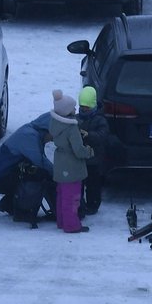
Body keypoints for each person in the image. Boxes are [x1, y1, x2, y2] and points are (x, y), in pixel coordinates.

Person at [0, 113, 54, 219]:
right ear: (47, 129)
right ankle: (21, 209)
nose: (52, 140)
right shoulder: (29, 136)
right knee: (37, 176)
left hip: (0, 175)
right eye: (53, 136)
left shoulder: (32, 132)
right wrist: (58, 174)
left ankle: (8, 204)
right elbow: (40, 162)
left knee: (32, 172)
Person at [50, 89, 94, 234]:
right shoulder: (71, 128)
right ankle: (72, 225)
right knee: (72, 198)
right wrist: (88, 151)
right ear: (67, 111)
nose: (75, 110)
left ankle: (62, 221)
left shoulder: (55, 123)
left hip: (60, 163)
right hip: (72, 166)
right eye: (73, 108)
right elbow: (78, 150)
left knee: (62, 195)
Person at [77, 86, 110, 216]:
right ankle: (79, 203)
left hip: (94, 159)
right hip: (80, 159)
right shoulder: (77, 118)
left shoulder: (100, 120)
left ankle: (93, 204)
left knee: (93, 184)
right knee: (79, 183)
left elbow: (102, 136)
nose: (84, 109)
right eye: (82, 107)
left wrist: (88, 135)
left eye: (87, 107)